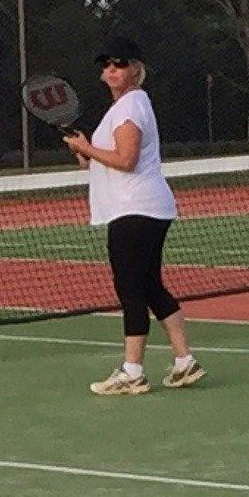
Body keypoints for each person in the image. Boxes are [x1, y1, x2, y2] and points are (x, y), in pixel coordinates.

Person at [62, 37, 200, 396]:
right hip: (143, 207)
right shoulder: (127, 106)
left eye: (119, 64)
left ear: (135, 70)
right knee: (150, 286)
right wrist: (85, 152)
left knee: (131, 289)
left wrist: (87, 147)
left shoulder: (131, 105)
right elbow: (109, 161)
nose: (111, 70)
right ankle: (184, 361)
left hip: (135, 209)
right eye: (107, 64)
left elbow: (126, 160)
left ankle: (132, 371)